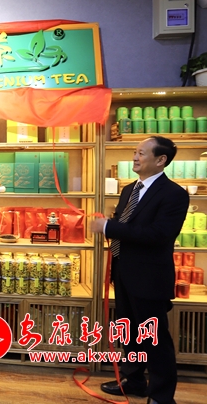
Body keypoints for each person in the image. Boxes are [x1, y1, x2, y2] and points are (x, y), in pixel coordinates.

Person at [90, 136, 188, 404]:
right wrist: (109, 223)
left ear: (161, 160)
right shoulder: (129, 189)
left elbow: (158, 235)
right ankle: (134, 381)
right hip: (123, 273)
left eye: (141, 153)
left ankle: (161, 396)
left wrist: (109, 227)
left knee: (154, 339)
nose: (135, 157)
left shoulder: (174, 194)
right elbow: (127, 225)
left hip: (149, 278)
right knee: (130, 332)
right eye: (135, 152)